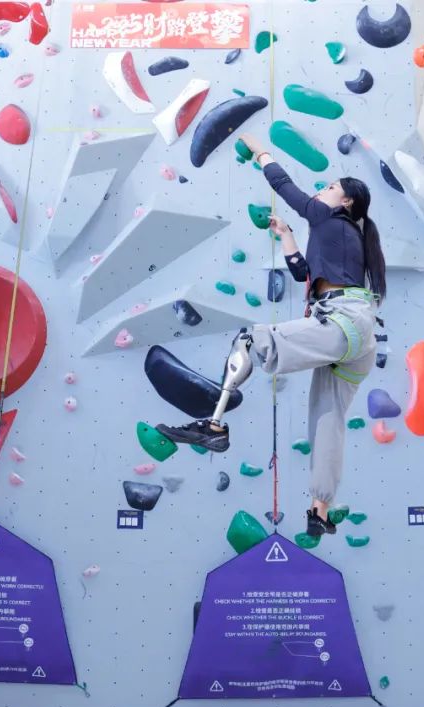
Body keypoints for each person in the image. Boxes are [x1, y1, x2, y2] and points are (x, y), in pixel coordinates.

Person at [157, 134, 387, 538]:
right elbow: (302, 273)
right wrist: (286, 236)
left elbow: (287, 188)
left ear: (347, 202)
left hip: (343, 323)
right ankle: (319, 510)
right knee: (327, 419)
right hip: (357, 335)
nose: (323, 189)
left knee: (250, 340)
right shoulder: (341, 235)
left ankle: (214, 426)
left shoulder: (331, 219)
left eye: (331, 187)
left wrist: (261, 152)